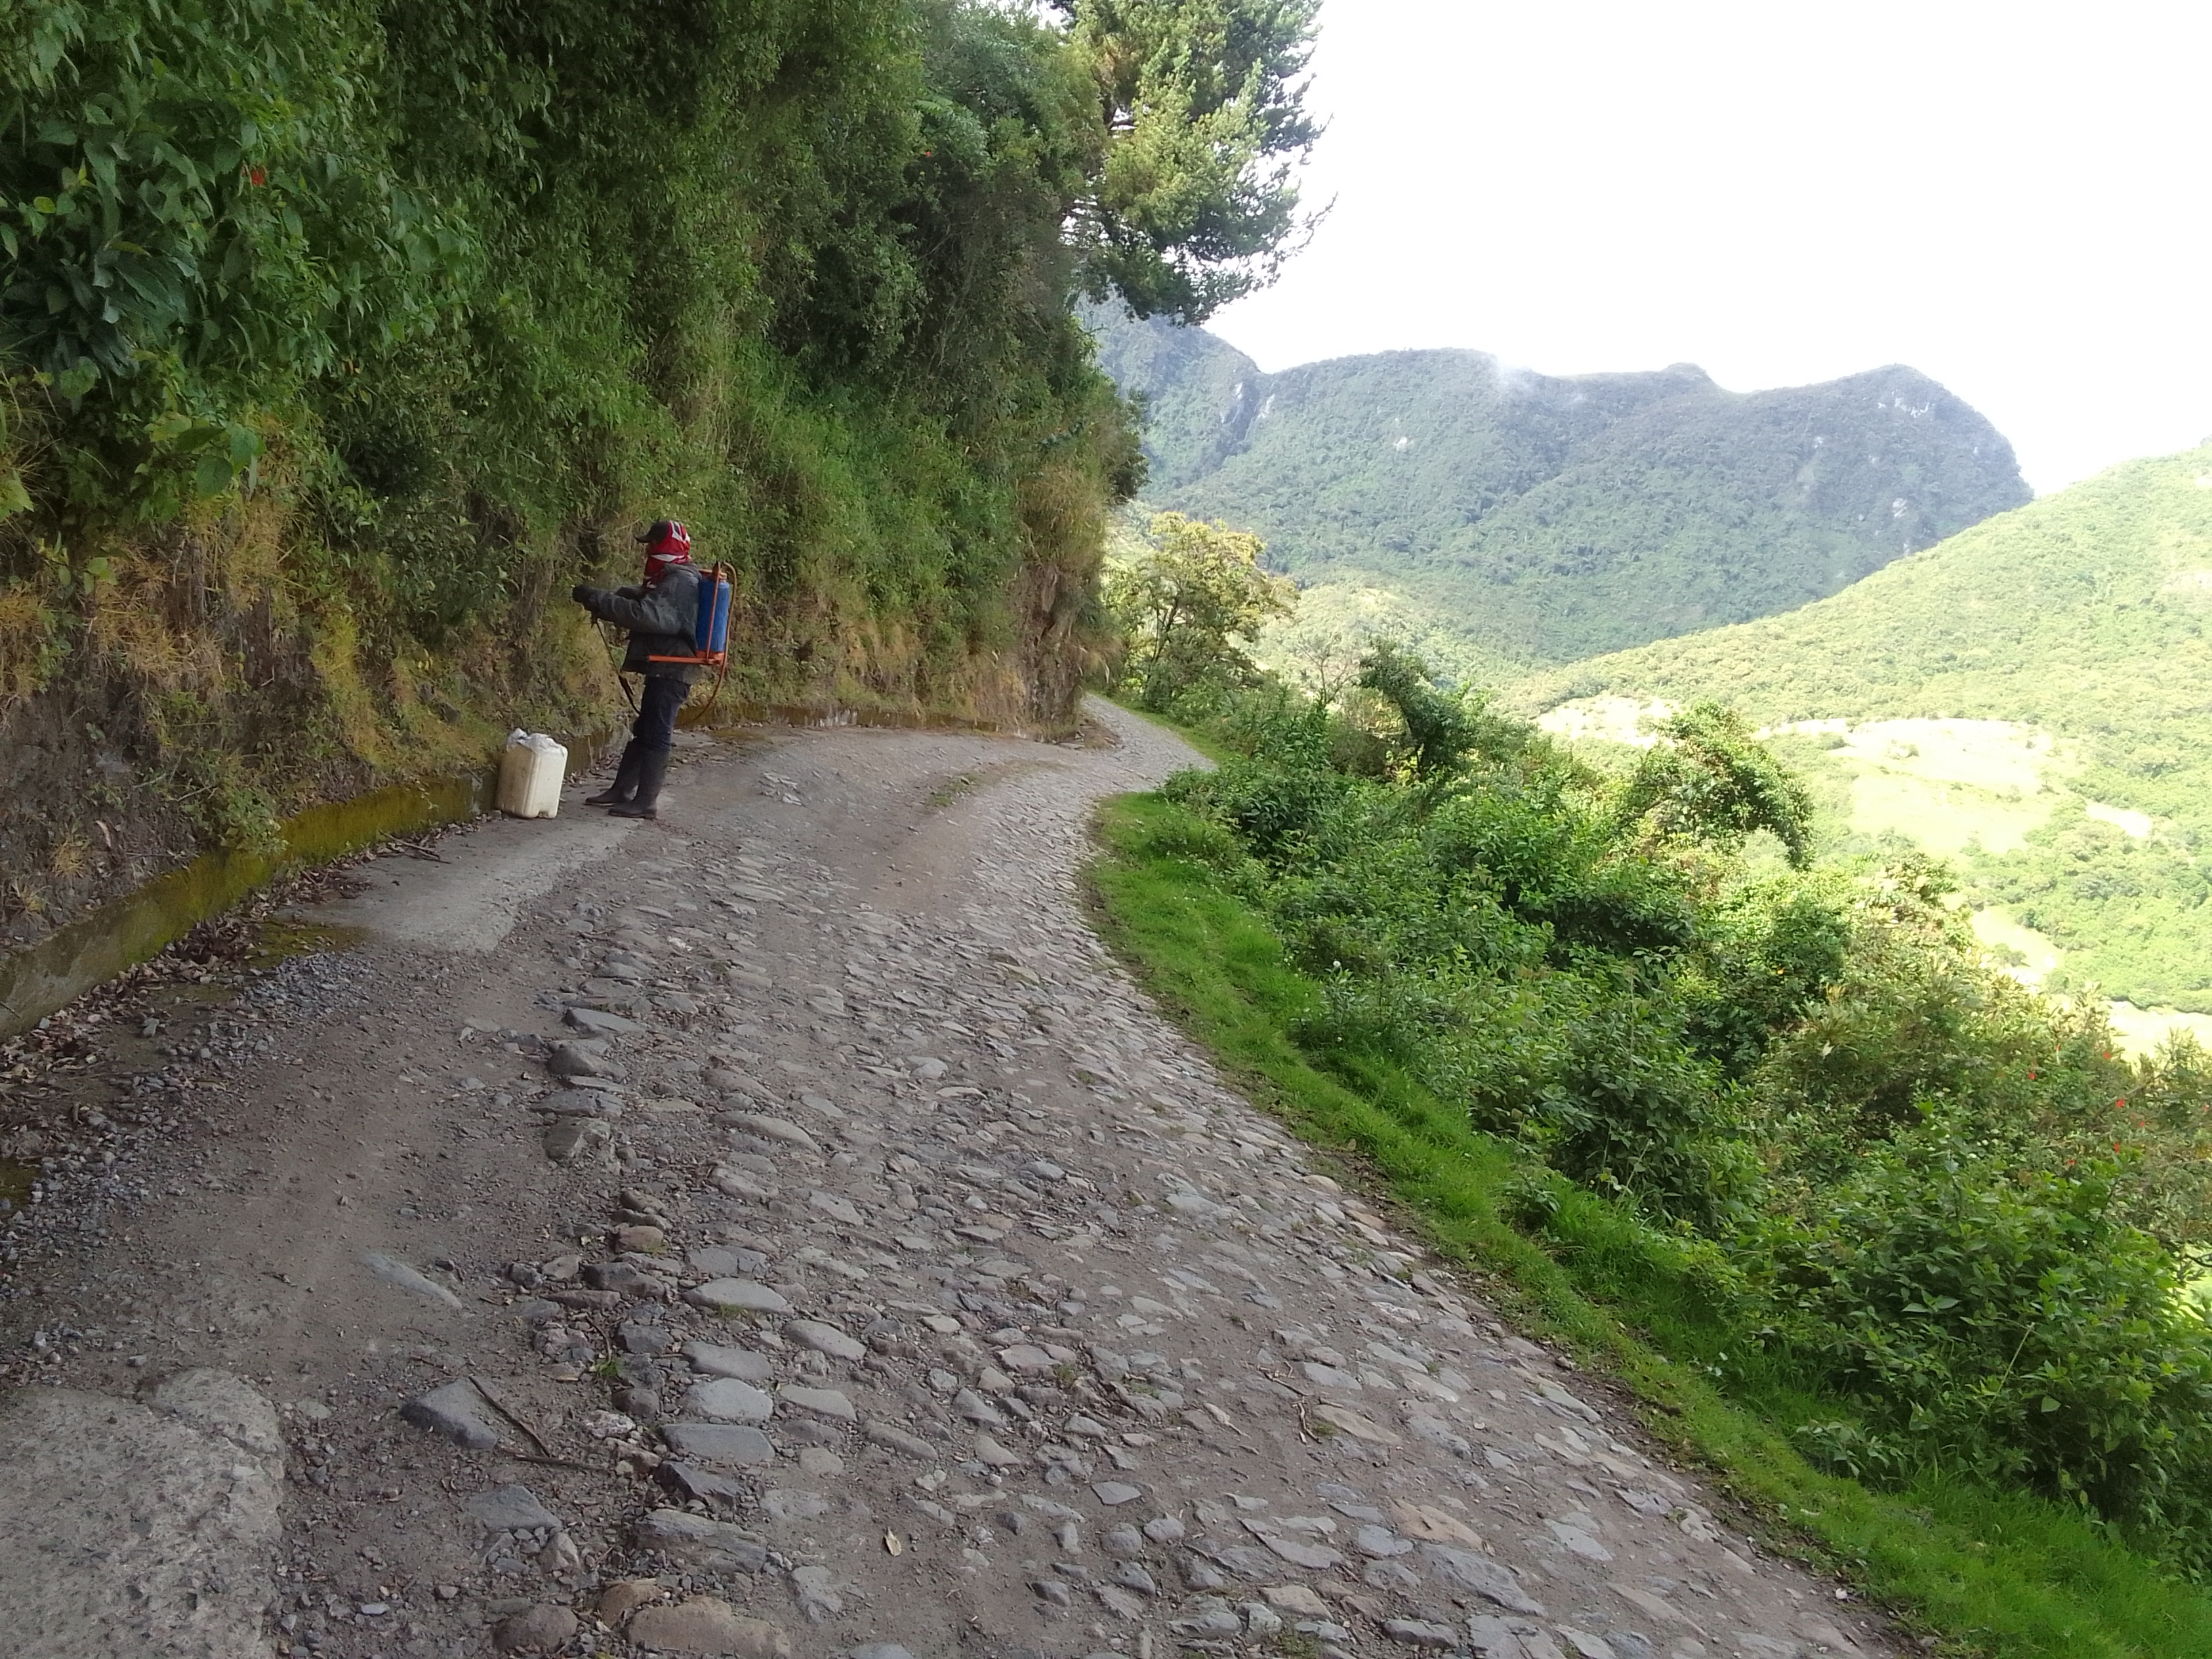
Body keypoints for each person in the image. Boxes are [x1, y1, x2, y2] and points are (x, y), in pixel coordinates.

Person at [571, 519, 703, 819]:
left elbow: (649, 615)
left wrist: (601, 600)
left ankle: (646, 803)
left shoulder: (681, 581)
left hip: (674, 670)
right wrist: (612, 598)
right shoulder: (672, 577)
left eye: (653, 544)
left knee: (657, 733)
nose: (648, 551)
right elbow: (649, 601)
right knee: (644, 730)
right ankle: (621, 791)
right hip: (665, 666)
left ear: (666, 545)